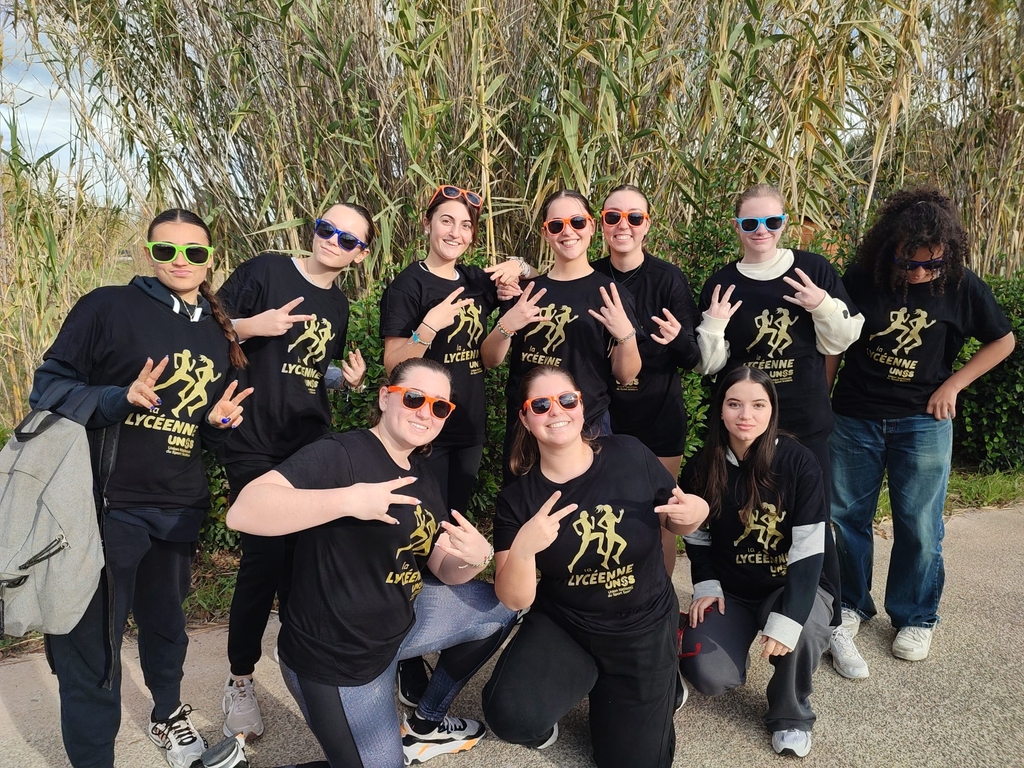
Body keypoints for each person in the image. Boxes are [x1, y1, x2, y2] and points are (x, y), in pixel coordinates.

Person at [29, 209, 253, 768]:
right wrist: (117, 398)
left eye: (194, 252)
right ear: (150, 254)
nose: (181, 261)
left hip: (179, 506)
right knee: (92, 646)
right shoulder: (107, 307)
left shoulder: (217, 330)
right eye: (167, 250)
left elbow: (200, 427)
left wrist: (217, 425)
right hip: (105, 507)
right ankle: (93, 758)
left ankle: (167, 715)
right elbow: (48, 387)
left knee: (167, 626)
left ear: (209, 259)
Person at [226, 358, 516, 768]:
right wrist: (348, 500)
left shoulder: (421, 473)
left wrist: (475, 559)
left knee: (503, 605)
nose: (425, 412)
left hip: (398, 629)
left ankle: (427, 722)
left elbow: (440, 565)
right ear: (384, 397)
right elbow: (244, 512)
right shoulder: (342, 453)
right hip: (339, 659)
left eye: (439, 406)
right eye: (413, 398)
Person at [482, 365, 709, 768]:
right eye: (541, 405)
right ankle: (593, 683)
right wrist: (524, 550)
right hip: (569, 625)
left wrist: (697, 511)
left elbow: (677, 518)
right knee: (511, 716)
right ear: (525, 418)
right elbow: (515, 598)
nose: (556, 411)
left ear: (582, 406)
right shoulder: (518, 499)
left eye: (567, 400)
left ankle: (658, 682)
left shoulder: (629, 454)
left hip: (643, 624)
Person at [829, 187, 1014, 662]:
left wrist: (954, 385)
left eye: (931, 264)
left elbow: (1003, 341)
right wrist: (820, 399)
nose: (918, 273)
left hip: (923, 421)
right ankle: (849, 604)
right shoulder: (863, 277)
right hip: (855, 415)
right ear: (889, 248)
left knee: (921, 525)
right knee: (845, 519)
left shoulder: (962, 285)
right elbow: (834, 339)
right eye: (907, 262)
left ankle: (916, 616)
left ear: (947, 254)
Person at [695, 183, 866, 679]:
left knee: (817, 524)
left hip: (803, 422)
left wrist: (821, 303)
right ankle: (745, 604)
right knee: (745, 515)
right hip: (744, 428)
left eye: (772, 221)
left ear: (785, 223)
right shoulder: (723, 282)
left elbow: (843, 337)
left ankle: (831, 622)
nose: (762, 231)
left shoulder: (812, 269)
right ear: (737, 226)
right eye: (750, 223)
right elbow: (710, 366)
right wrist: (713, 323)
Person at [215, 203, 371, 739]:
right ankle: (240, 679)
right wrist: (250, 326)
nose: (333, 241)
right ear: (314, 228)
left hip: (307, 445)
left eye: (348, 239)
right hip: (252, 438)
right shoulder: (266, 270)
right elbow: (205, 331)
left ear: (359, 254)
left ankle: (309, 671)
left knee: (308, 561)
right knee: (263, 558)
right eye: (327, 229)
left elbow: (305, 366)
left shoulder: (339, 304)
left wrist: (343, 379)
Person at [379, 184, 534, 705]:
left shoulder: (474, 281)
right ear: (427, 224)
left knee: (449, 532)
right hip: (422, 430)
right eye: (446, 220)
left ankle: (435, 632)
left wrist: (518, 265)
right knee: (414, 533)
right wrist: (429, 326)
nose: (456, 232)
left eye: (465, 225)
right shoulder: (408, 286)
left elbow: (519, 288)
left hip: (467, 426)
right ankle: (404, 653)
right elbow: (393, 363)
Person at [679, 366, 837, 759]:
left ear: (772, 410)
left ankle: (791, 716)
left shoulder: (799, 462)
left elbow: (809, 548)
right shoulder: (702, 466)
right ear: (720, 410)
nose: (745, 415)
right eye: (734, 404)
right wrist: (706, 584)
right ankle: (719, 642)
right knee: (710, 675)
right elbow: (696, 536)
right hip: (733, 591)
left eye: (758, 405)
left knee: (804, 630)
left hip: (790, 585)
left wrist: (788, 620)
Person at [480, 189, 641, 481]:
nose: (568, 232)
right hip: (529, 425)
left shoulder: (610, 294)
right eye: (556, 225)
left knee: (587, 504)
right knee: (524, 503)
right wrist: (507, 324)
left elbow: (626, 375)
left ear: (591, 226)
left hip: (588, 425)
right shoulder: (526, 290)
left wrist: (626, 336)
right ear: (546, 233)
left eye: (577, 222)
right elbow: (490, 360)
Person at [592, 184, 701, 576]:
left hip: (658, 415)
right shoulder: (590, 275)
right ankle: (612, 596)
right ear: (601, 224)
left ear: (647, 225)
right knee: (603, 514)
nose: (624, 225)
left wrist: (678, 340)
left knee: (662, 516)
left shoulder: (668, 278)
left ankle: (661, 601)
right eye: (613, 216)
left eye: (634, 217)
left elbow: (694, 358)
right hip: (603, 417)